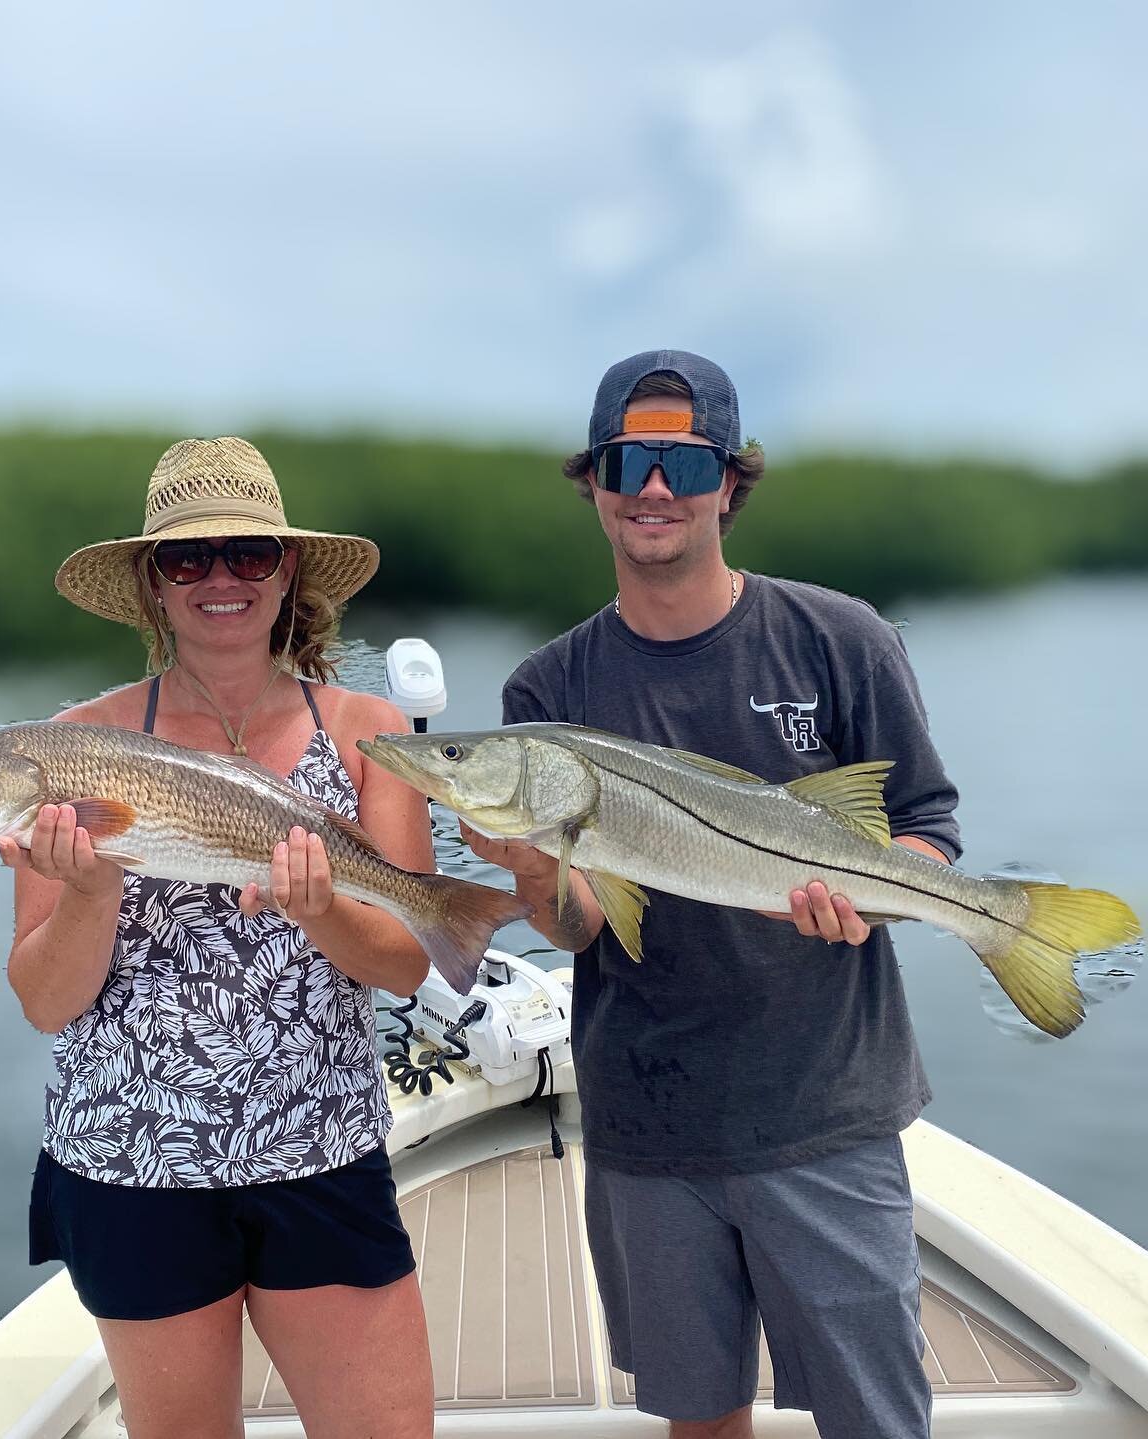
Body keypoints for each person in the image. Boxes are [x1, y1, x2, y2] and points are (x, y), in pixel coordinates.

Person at [461, 351, 960, 1439]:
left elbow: (927, 828)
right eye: (627, 461)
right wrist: (535, 865)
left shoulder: (842, 640)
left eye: (684, 464)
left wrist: (883, 898)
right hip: (648, 1122)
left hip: (828, 1109)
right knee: (698, 1420)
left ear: (730, 483)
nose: (654, 488)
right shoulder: (547, 690)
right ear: (594, 482)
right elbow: (580, 928)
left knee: (879, 1419)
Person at [1, 436, 435, 1439]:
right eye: (187, 559)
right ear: (153, 585)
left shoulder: (369, 731)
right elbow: (45, 1001)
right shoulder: (69, 748)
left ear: (288, 572)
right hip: (132, 1159)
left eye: (248, 552)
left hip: (319, 1144)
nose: (221, 579)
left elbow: (409, 961)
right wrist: (91, 887)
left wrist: (321, 906)